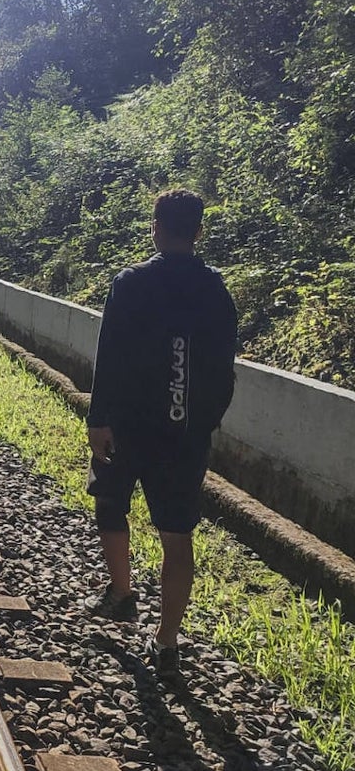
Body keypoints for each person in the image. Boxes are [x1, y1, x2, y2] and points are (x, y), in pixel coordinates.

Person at [84, 188, 238, 677]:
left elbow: (108, 356)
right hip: (185, 435)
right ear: (198, 231)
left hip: (128, 427)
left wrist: (98, 419)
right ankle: (167, 642)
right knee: (177, 534)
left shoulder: (130, 284)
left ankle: (123, 593)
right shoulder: (216, 290)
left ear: (155, 227)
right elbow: (224, 369)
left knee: (110, 504)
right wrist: (202, 421)